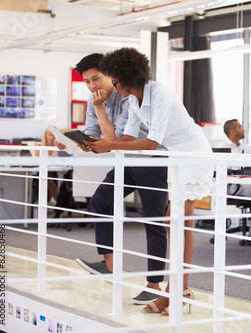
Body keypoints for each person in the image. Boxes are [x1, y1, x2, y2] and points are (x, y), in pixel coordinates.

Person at [86, 47, 213, 315]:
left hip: (192, 153)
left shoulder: (160, 93)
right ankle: (178, 290)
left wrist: (107, 144)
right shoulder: (134, 100)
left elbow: (152, 142)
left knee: (178, 220)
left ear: (128, 76)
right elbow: (128, 140)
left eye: (115, 80)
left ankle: (177, 291)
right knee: (173, 222)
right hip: (175, 157)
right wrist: (99, 144)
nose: (114, 86)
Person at [64, 53, 168, 305]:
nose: (92, 87)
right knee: (100, 201)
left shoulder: (129, 96)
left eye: (96, 79)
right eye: (87, 82)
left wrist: (100, 110)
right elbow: (93, 135)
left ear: (111, 75)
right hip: (127, 162)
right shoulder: (95, 99)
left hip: (153, 162)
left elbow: (115, 139)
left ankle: (154, 284)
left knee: (153, 220)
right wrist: (72, 142)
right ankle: (109, 264)